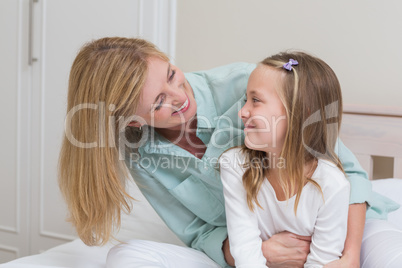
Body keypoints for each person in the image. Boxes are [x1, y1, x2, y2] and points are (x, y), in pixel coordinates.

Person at [59, 37, 400, 268]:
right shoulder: (139, 151)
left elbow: (350, 174)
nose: (179, 96)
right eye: (160, 101)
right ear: (132, 121)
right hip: (252, 247)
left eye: (172, 75)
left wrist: (350, 253)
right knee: (125, 257)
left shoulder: (247, 85)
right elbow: (197, 232)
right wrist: (259, 253)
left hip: (342, 227)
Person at [220, 52, 350, 267]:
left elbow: (321, 262)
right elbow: (244, 250)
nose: (242, 112)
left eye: (256, 100)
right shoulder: (235, 165)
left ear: (299, 113)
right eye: (246, 100)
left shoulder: (332, 185)